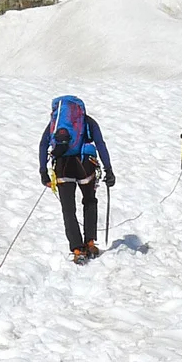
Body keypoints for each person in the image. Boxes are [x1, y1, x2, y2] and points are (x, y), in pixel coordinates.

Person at [39, 95, 115, 263]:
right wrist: (108, 169)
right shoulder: (87, 121)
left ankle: (77, 248)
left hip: (62, 166)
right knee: (89, 201)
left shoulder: (55, 124)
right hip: (84, 164)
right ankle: (89, 243)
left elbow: (43, 145)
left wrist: (43, 171)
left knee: (68, 208)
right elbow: (100, 143)